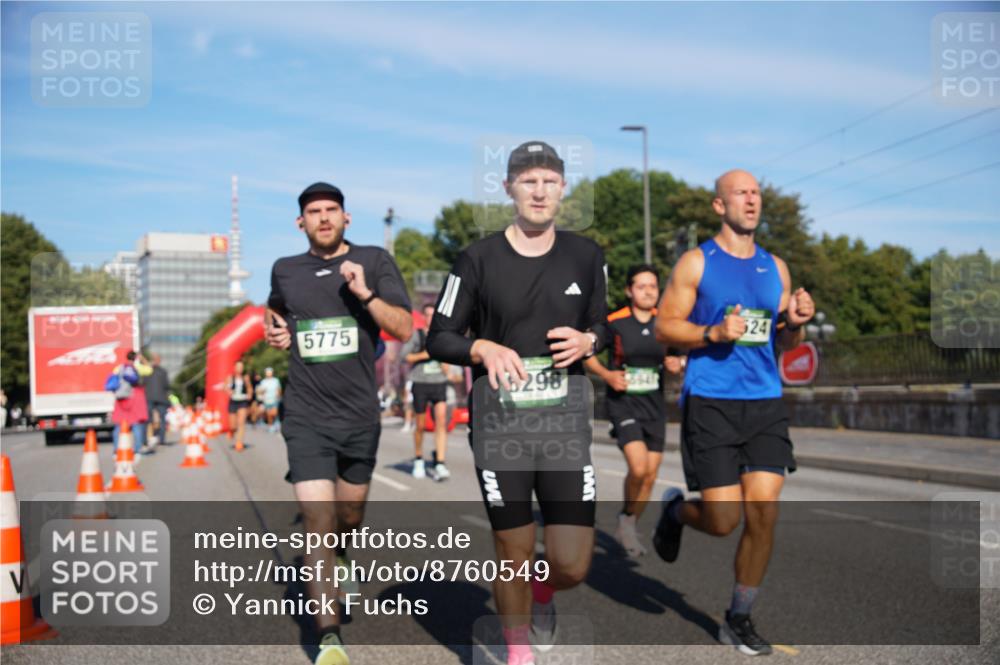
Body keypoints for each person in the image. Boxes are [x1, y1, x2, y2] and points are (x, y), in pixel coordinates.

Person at [428, 141, 608, 665]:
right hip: (500, 425)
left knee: (572, 563)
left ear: (563, 189)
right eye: (528, 180)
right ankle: (518, 653)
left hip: (566, 423)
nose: (539, 190)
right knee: (512, 551)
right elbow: (439, 337)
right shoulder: (477, 258)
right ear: (508, 188)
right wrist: (480, 346)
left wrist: (589, 342)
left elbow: (601, 324)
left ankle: (545, 592)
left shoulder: (585, 254)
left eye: (549, 180)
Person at [653, 169, 815, 656]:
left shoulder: (776, 268)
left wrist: (797, 324)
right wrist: (712, 334)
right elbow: (664, 327)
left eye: (757, 192)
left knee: (763, 513)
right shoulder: (696, 263)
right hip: (712, 402)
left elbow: (784, 342)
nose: (752, 199)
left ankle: (738, 617)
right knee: (723, 520)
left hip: (764, 401)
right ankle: (677, 511)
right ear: (719, 206)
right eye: (741, 193)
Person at [265, 181, 412, 665]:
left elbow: (403, 328)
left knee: (349, 517)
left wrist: (365, 294)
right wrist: (276, 328)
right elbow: (274, 309)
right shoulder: (286, 270)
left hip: (358, 416)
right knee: (318, 522)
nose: (323, 217)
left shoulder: (373, 261)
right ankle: (328, 637)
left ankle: (344, 555)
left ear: (347, 218)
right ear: (300, 222)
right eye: (314, 211)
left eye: (332, 210)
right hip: (305, 415)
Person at [584, 264, 684, 557]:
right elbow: (588, 354)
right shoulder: (615, 322)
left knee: (650, 475)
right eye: (642, 286)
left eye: (653, 286)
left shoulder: (665, 323)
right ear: (629, 290)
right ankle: (627, 523)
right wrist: (607, 375)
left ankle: (627, 521)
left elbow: (676, 362)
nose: (649, 291)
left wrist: (675, 366)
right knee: (638, 467)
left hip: (654, 404)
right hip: (623, 402)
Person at [400, 304, 454, 480]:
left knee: (441, 422)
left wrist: (447, 365)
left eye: (434, 314)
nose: (431, 318)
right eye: (428, 315)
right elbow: (404, 356)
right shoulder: (418, 335)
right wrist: (423, 355)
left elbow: (452, 357)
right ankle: (418, 459)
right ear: (424, 317)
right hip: (421, 382)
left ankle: (440, 462)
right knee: (421, 425)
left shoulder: (443, 336)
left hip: (439, 382)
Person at [110, 350, 151, 458]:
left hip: (121, 398)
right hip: (135, 398)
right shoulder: (138, 368)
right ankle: (138, 449)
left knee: (119, 424)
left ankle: (116, 449)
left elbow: (114, 376)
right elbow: (149, 370)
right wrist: (143, 360)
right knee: (137, 424)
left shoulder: (120, 367)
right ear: (136, 358)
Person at [144, 353, 171, 448]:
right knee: (162, 419)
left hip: (149, 397)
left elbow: (142, 383)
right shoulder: (163, 372)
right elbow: (167, 385)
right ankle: (161, 439)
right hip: (161, 398)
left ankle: (146, 439)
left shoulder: (147, 371)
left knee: (148, 419)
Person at [226, 360, 252, 449]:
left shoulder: (245, 378)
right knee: (233, 426)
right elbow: (226, 387)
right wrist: (229, 391)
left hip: (242, 401)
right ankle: (232, 431)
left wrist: (249, 394)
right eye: (238, 367)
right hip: (233, 401)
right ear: (235, 368)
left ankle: (239, 442)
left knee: (241, 423)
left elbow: (249, 388)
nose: (240, 369)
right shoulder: (230, 378)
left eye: (241, 367)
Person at [258, 367, 283, 433]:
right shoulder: (263, 381)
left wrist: (279, 396)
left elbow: (279, 389)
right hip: (267, 400)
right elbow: (260, 391)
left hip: (274, 399)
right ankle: (271, 426)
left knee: (274, 413)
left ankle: (276, 422)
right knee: (269, 414)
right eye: (267, 373)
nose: (269, 374)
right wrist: (262, 391)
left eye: (270, 372)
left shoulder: (275, 380)